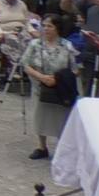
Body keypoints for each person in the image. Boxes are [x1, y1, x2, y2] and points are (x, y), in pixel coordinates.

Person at [21, 14, 79, 160]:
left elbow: (75, 69)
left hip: (60, 88)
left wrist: (57, 78)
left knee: (61, 118)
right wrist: (41, 77)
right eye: (44, 25)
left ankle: (62, 147)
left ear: (57, 28)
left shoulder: (67, 45)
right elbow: (26, 64)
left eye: (50, 26)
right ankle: (42, 146)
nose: (46, 29)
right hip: (39, 86)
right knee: (39, 116)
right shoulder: (35, 44)